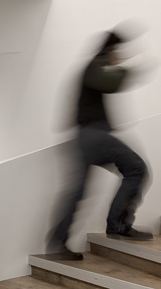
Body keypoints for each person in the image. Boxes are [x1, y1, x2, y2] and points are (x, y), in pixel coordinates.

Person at [47, 30, 152, 261]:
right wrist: (129, 70)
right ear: (109, 50)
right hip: (93, 136)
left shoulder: (93, 67)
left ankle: (58, 242)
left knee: (77, 193)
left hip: (85, 137)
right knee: (136, 168)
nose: (120, 56)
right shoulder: (94, 66)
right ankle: (119, 225)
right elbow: (110, 82)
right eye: (117, 52)